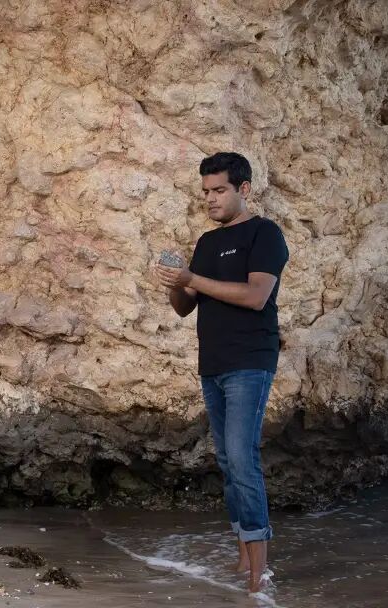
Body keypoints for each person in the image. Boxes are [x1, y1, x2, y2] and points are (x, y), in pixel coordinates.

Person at [153, 152, 289, 593]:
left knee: (243, 459)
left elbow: (255, 296)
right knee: (229, 462)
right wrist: (175, 283)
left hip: (250, 361)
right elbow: (185, 307)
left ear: (243, 189)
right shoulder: (207, 243)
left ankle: (259, 574)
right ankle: (243, 557)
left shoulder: (265, 233)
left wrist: (192, 277)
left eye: (219, 190)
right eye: (206, 192)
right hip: (212, 364)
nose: (211, 199)